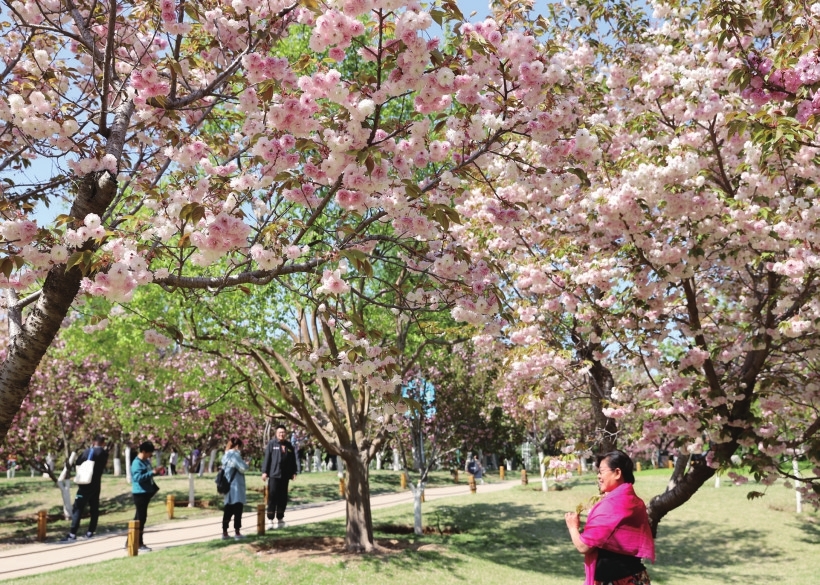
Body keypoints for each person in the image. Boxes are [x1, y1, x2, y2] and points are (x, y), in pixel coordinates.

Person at [564, 450, 655, 585]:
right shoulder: (634, 501)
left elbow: (584, 546)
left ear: (617, 473)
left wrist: (573, 527)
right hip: (635, 577)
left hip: (619, 580)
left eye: (601, 471)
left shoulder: (614, 505)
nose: (598, 476)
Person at [61, 435, 109, 542]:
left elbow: (78, 463)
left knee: (78, 507)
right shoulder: (104, 453)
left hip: (85, 483)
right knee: (94, 508)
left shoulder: (88, 452)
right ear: (103, 443)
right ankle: (90, 531)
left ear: (93, 442)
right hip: (96, 484)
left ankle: (73, 533)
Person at [261, 425, 297, 529]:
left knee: (283, 498)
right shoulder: (272, 444)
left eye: (283, 432)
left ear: (286, 433)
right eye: (279, 432)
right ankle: (270, 519)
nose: (281, 434)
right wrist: (264, 472)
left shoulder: (289, 446)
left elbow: (292, 461)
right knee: (272, 496)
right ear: (276, 434)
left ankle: (280, 519)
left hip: (284, 476)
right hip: (273, 475)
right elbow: (267, 458)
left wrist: (294, 472)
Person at [130, 441, 159, 552]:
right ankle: (138, 543)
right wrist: (152, 472)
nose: (150, 456)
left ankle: (130, 541)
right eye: (149, 453)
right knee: (140, 519)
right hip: (139, 493)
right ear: (143, 451)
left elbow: (148, 474)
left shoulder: (145, 461)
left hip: (146, 492)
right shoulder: (136, 463)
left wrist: (155, 472)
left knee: (138, 518)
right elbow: (138, 478)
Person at [221, 437, 250, 539]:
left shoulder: (225, 455)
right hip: (236, 487)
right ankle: (237, 533)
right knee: (238, 509)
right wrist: (247, 465)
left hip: (228, 486)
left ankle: (224, 532)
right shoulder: (235, 455)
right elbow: (242, 468)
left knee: (228, 509)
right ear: (238, 446)